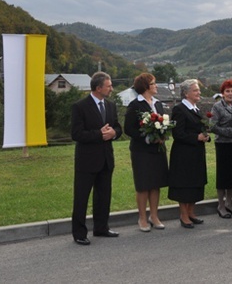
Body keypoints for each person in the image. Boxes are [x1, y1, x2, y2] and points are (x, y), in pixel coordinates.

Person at [71, 71, 122, 245]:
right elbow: (76, 134)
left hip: (106, 159)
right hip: (87, 161)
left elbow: (118, 127)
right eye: (109, 86)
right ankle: (79, 233)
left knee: (104, 196)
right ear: (98, 88)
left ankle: (101, 228)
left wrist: (114, 133)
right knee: (81, 197)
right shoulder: (80, 106)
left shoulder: (110, 105)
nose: (111, 89)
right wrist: (98, 134)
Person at [124, 73, 169, 233]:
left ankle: (154, 216)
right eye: (154, 83)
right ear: (145, 86)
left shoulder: (158, 104)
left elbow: (163, 124)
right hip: (142, 150)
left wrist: (163, 134)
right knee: (143, 185)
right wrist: (148, 138)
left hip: (158, 149)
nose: (156, 85)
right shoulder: (135, 105)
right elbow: (128, 129)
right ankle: (142, 218)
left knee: (156, 183)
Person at [168, 79, 210, 229]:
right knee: (184, 184)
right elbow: (177, 133)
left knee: (195, 182)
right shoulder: (179, 109)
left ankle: (192, 212)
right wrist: (196, 137)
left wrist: (205, 136)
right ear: (186, 93)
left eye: (198, 90)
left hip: (196, 152)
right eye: (195, 90)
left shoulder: (195, 109)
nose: (199, 93)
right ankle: (183, 214)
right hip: (184, 154)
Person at [209, 79, 232, 219]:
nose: (230, 94)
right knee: (223, 176)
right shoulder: (217, 106)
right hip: (223, 144)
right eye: (227, 91)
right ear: (222, 93)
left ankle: (229, 203)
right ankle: (221, 205)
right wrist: (231, 131)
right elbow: (213, 127)